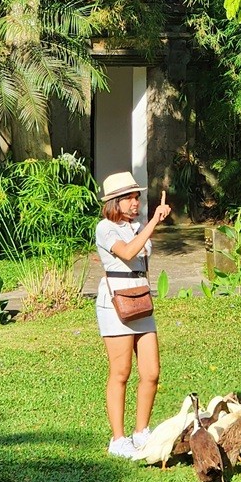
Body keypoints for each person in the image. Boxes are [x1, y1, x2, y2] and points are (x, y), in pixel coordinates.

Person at [95, 171, 171, 458]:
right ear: (115, 202)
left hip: (140, 299)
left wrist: (149, 223)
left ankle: (141, 432)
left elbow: (140, 249)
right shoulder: (105, 228)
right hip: (116, 303)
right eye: (128, 198)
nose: (135, 202)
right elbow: (127, 253)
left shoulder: (136, 226)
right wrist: (153, 223)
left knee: (151, 372)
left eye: (136, 197)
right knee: (121, 371)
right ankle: (118, 439)